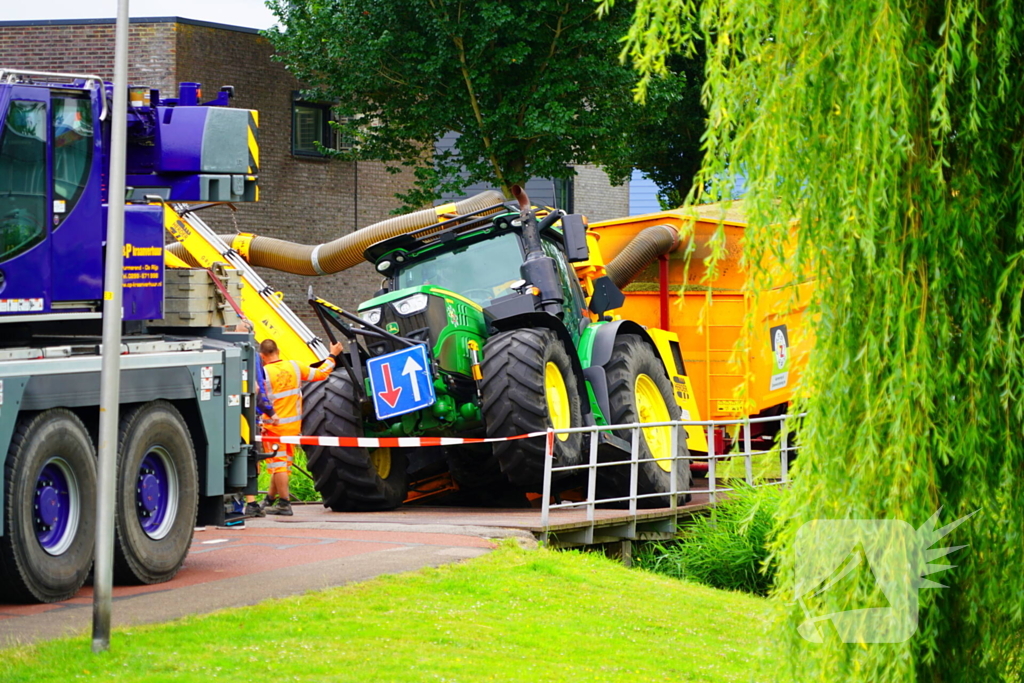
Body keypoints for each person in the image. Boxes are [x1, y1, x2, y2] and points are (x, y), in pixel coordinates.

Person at [255, 338, 344, 516]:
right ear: (278, 350)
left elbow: (260, 399)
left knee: (279, 466)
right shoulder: (295, 367)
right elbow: (321, 374)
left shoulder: (264, 373)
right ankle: (270, 499)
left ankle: (285, 503)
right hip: (292, 428)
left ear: (262, 356)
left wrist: (258, 422)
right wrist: (332, 355)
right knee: (282, 466)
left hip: (273, 428)